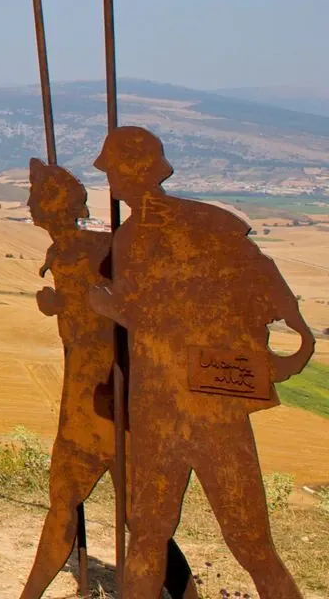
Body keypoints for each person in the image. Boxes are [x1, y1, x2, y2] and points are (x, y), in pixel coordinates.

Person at [87, 126, 313, 599]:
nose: (109, 181)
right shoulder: (210, 221)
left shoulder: (134, 238)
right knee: (242, 543)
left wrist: (107, 306)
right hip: (205, 400)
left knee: (156, 535)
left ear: (130, 172)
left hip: (173, 405)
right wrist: (298, 342)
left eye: (112, 171)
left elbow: (154, 316)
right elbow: (265, 280)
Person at [17, 158, 191, 599]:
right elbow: (84, 310)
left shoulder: (104, 248)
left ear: (54, 205)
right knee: (65, 504)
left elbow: (128, 309)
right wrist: (60, 305)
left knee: (138, 518)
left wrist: (87, 305)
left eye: (36, 197)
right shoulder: (62, 253)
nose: (30, 205)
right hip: (80, 400)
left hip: (115, 400)